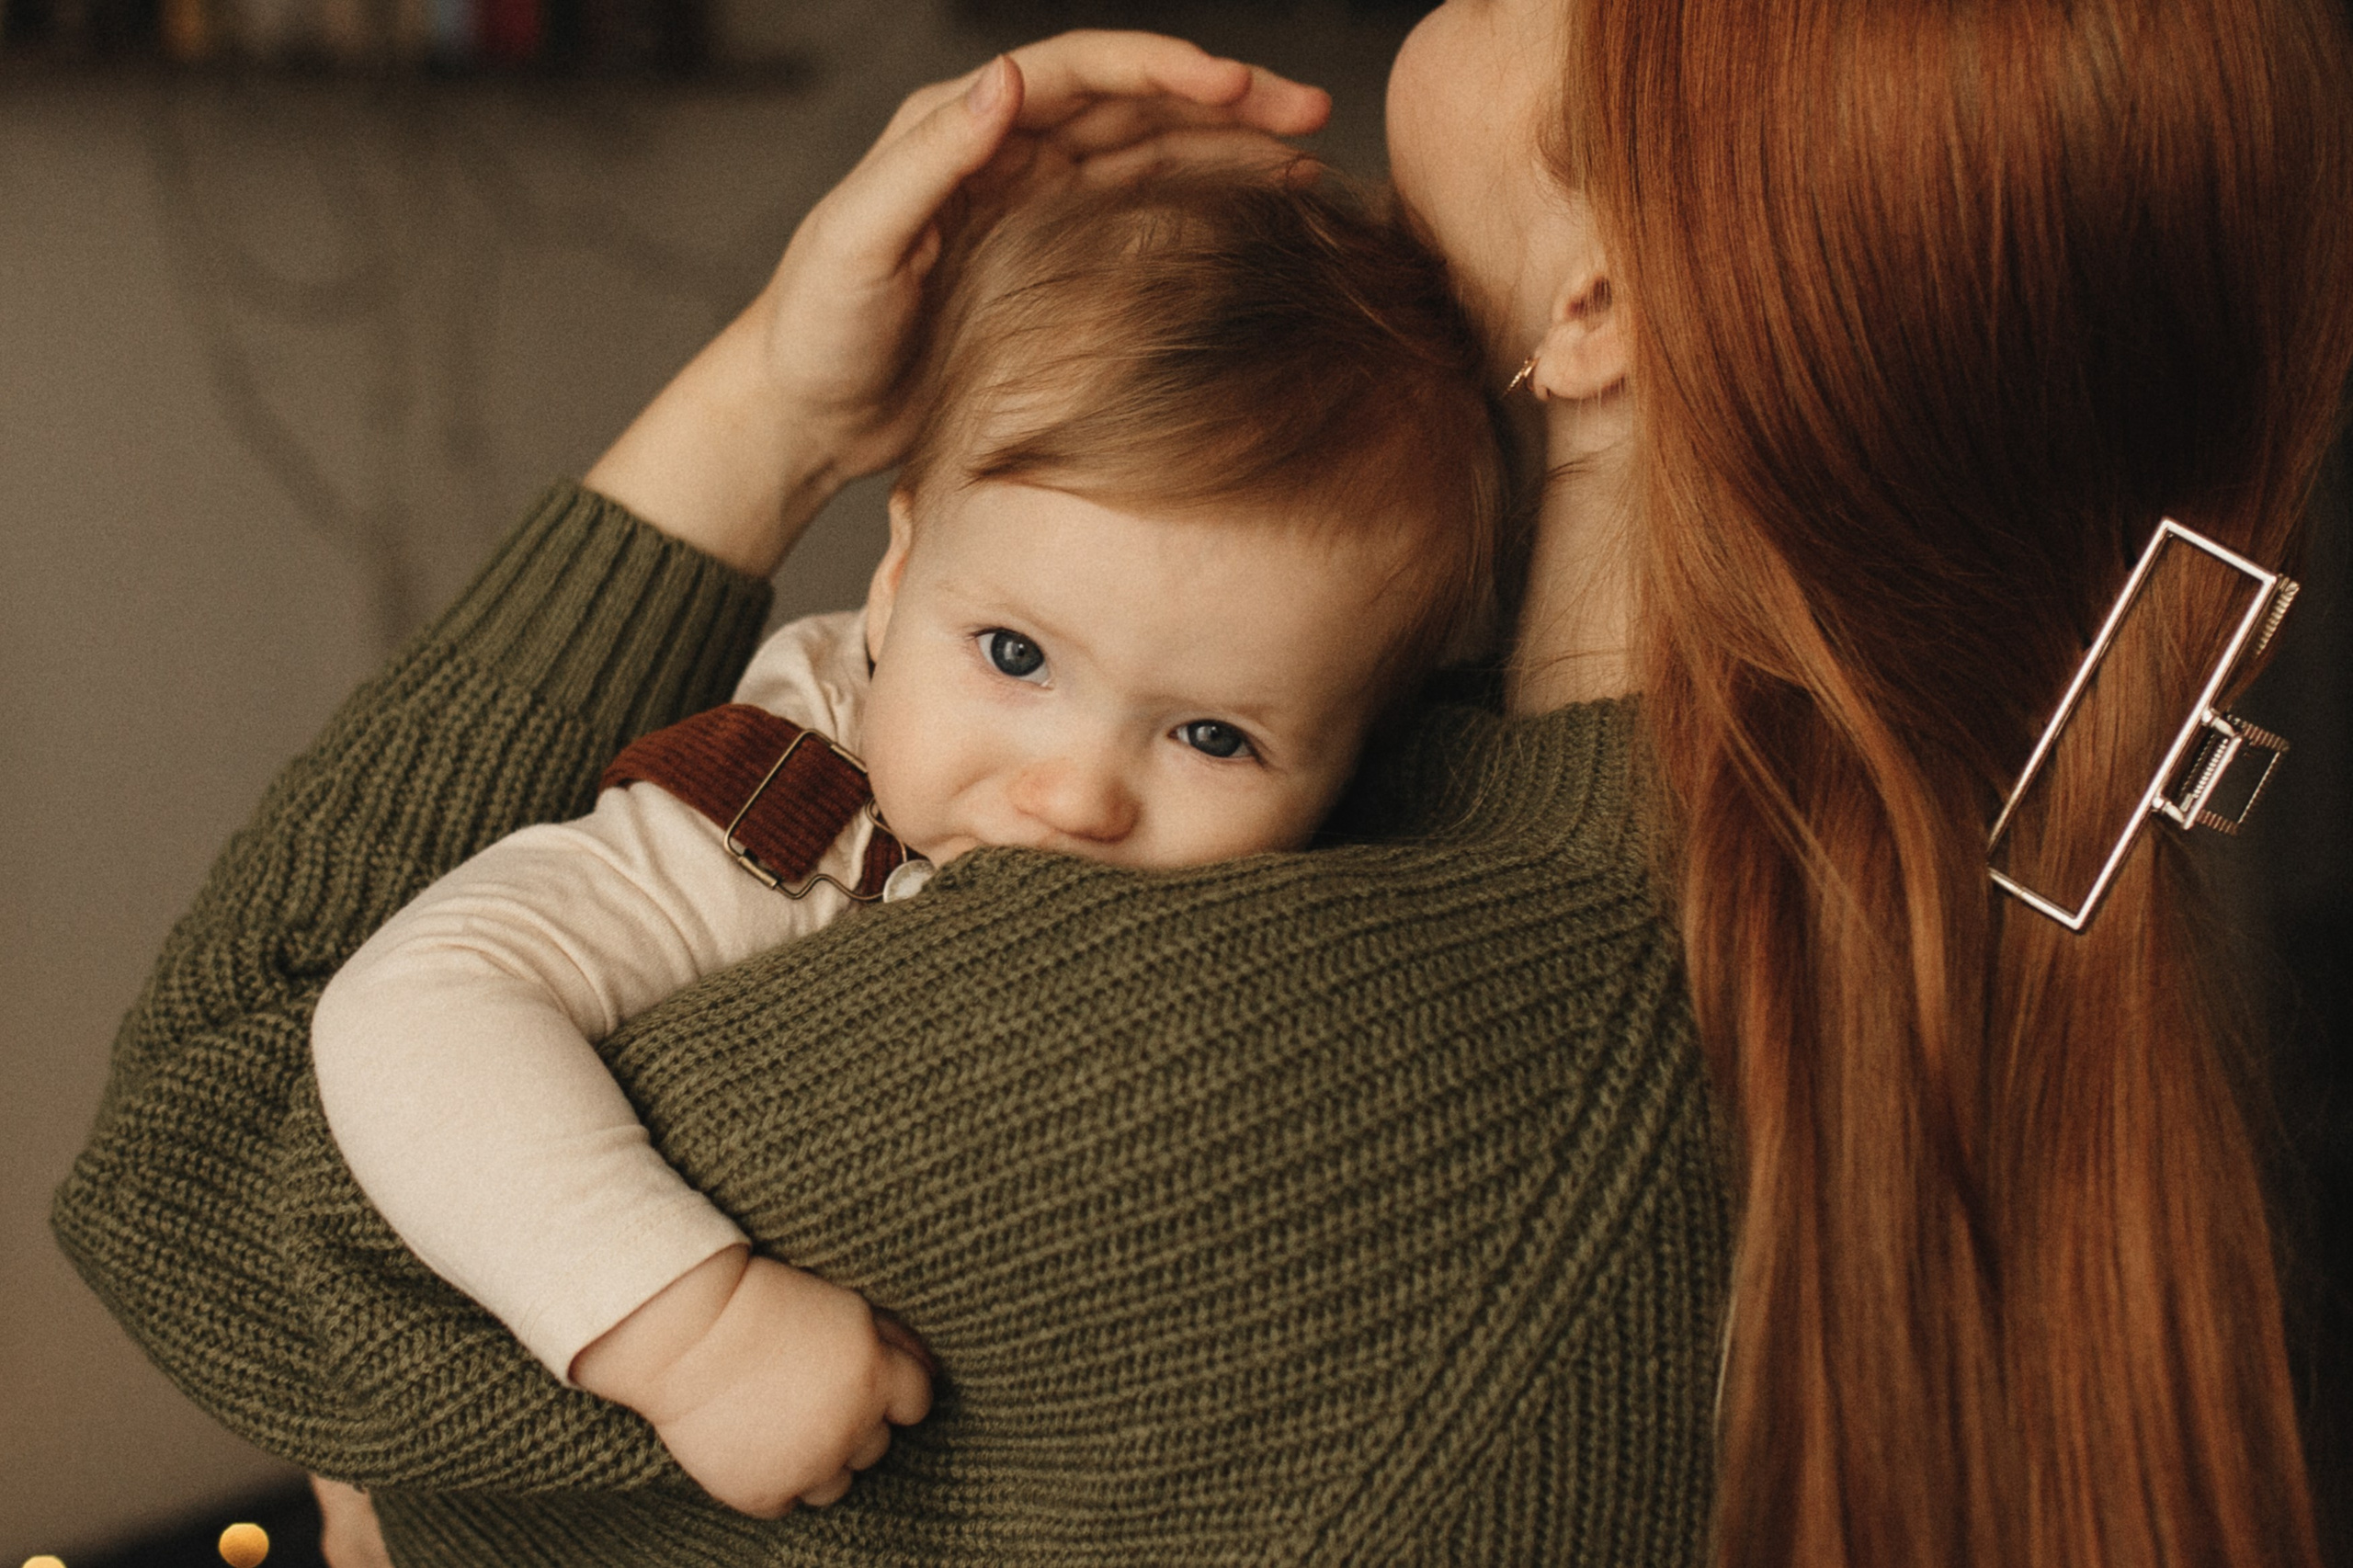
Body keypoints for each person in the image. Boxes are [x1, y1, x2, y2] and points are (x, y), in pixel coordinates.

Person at [51, 4, 2353, 1565]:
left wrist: (761, 405)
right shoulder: (1813, 910)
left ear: (1596, 309)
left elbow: (193, 1165)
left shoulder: (1254, 1039)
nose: (1082, 773)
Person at [306, 171, 1502, 1520]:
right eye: (1014, 654)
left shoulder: (1338, 919)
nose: (1072, 794)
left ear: (1358, 755)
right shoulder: (785, 817)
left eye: (1214, 737)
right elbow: (413, 1007)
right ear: (893, 574)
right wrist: (692, 1331)